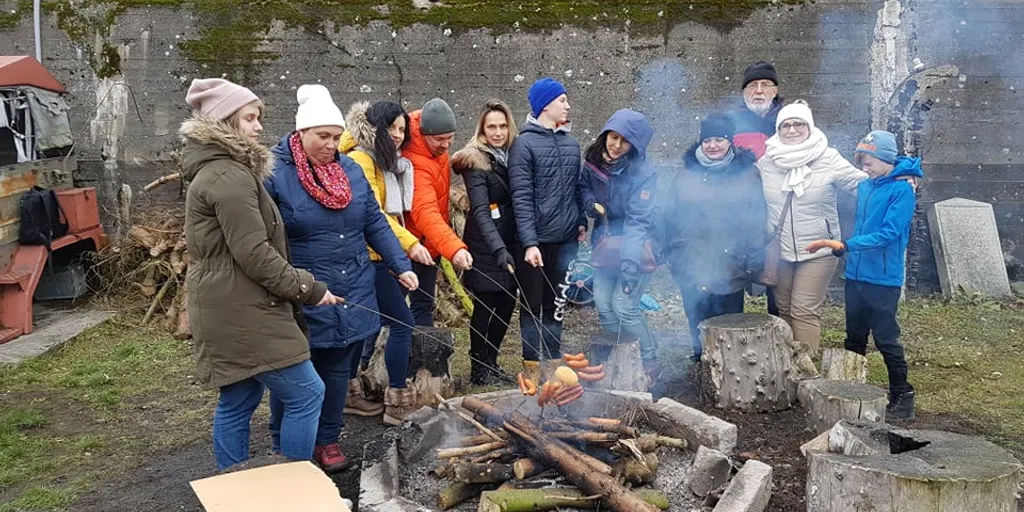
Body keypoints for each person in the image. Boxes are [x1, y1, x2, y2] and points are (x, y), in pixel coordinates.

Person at [180, 78, 341, 471]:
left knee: (238, 399)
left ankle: (236, 491)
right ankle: (291, 488)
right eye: (250, 118)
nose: (257, 127)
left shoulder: (223, 170)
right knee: (306, 392)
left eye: (258, 118)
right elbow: (253, 252)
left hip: (228, 304)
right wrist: (308, 288)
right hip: (243, 308)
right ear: (225, 120)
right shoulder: (228, 176)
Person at [266, 85, 418, 471]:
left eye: (336, 137)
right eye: (323, 137)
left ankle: (328, 440)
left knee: (337, 368)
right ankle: (284, 442)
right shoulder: (274, 174)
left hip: (352, 285)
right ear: (300, 133)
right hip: (303, 289)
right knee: (296, 370)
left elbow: (373, 222)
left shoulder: (349, 170)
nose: (332, 145)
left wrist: (400, 264)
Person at [805, 130, 922, 420]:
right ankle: (851, 392)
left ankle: (902, 395)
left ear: (885, 159)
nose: (863, 168)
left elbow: (889, 233)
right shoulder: (868, 186)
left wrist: (847, 245)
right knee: (854, 336)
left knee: (886, 338)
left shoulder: (902, 190)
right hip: (856, 274)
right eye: (861, 161)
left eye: (868, 162)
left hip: (882, 278)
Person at [338, 100, 434, 424]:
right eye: (392, 128)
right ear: (375, 127)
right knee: (403, 323)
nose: (397, 135)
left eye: (402, 130)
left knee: (365, 326)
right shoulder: (361, 161)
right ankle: (397, 402)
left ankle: (350, 394)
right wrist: (409, 246)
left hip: (377, 256)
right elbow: (375, 216)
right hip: (369, 257)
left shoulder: (378, 160)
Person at [757, 100, 866, 353]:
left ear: (809, 126)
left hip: (819, 249)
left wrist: (897, 177)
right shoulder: (768, 160)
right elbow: (744, 185)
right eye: (786, 125)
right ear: (778, 129)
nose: (792, 130)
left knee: (803, 310)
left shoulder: (827, 157)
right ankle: (784, 369)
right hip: (780, 250)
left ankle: (806, 375)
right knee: (783, 309)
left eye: (798, 124)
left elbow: (862, 185)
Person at [664, 113, 766, 363]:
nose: (712, 146)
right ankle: (700, 365)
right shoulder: (685, 174)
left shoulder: (748, 174)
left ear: (730, 141)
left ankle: (732, 374)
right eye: (707, 140)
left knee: (729, 325)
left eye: (719, 139)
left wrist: (752, 262)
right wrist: (674, 254)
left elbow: (756, 220)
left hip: (731, 263)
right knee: (697, 321)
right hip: (691, 262)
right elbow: (670, 217)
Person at [509, 77, 586, 384]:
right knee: (532, 304)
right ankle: (530, 367)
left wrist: (580, 220)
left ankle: (553, 365)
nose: (568, 105)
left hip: (566, 241)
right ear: (545, 105)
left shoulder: (572, 143)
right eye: (562, 100)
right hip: (535, 243)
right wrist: (529, 243)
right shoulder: (523, 144)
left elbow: (576, 189)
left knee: (556, 304)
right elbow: (521, 197)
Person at [580, 108, 661, 386]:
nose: (616, 145)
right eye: (613, 137)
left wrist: (629, 265)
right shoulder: (593, 161)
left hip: (638, 245)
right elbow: (583, 188)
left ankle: (649, 360)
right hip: (605, 244)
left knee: (624, 305)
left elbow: (639, 223)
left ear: (635, 145)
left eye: (624, 141)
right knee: (603, 305)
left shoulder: (644, 173)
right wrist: (590, 204)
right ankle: (621, 355)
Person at [451, 100, 521, 386]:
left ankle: (491, 360)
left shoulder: (511, 155)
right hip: (485, 242)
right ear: (482, 128)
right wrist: (498, 249)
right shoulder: (475, 162)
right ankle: (478, 366)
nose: (498, 132)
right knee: (485, 304)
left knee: (506, 303)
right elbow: (480, 212)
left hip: (508, 240)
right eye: (491, 126)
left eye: (503, 126)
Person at [404, 98, 474, 326]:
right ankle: (368, 359)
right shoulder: (416, 162)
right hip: (408, 248)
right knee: (391, 313)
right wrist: (454, 249)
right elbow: (425, 212)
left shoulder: (435, 152)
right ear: (424, 134)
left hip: (429, 246)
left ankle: (421, 358)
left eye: (450, 138)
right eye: (439, 139)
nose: (446, 145)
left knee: (423, 305)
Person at [730, 60, 785, 316]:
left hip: (779, 214)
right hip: (740, 216)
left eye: (766, 84)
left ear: (775, 90)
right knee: (734, 278)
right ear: (744, 92)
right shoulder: (731, 122)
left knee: (778, 285)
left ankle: (780, 341)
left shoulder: (791, 121)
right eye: (753, 85)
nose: (759, 91)